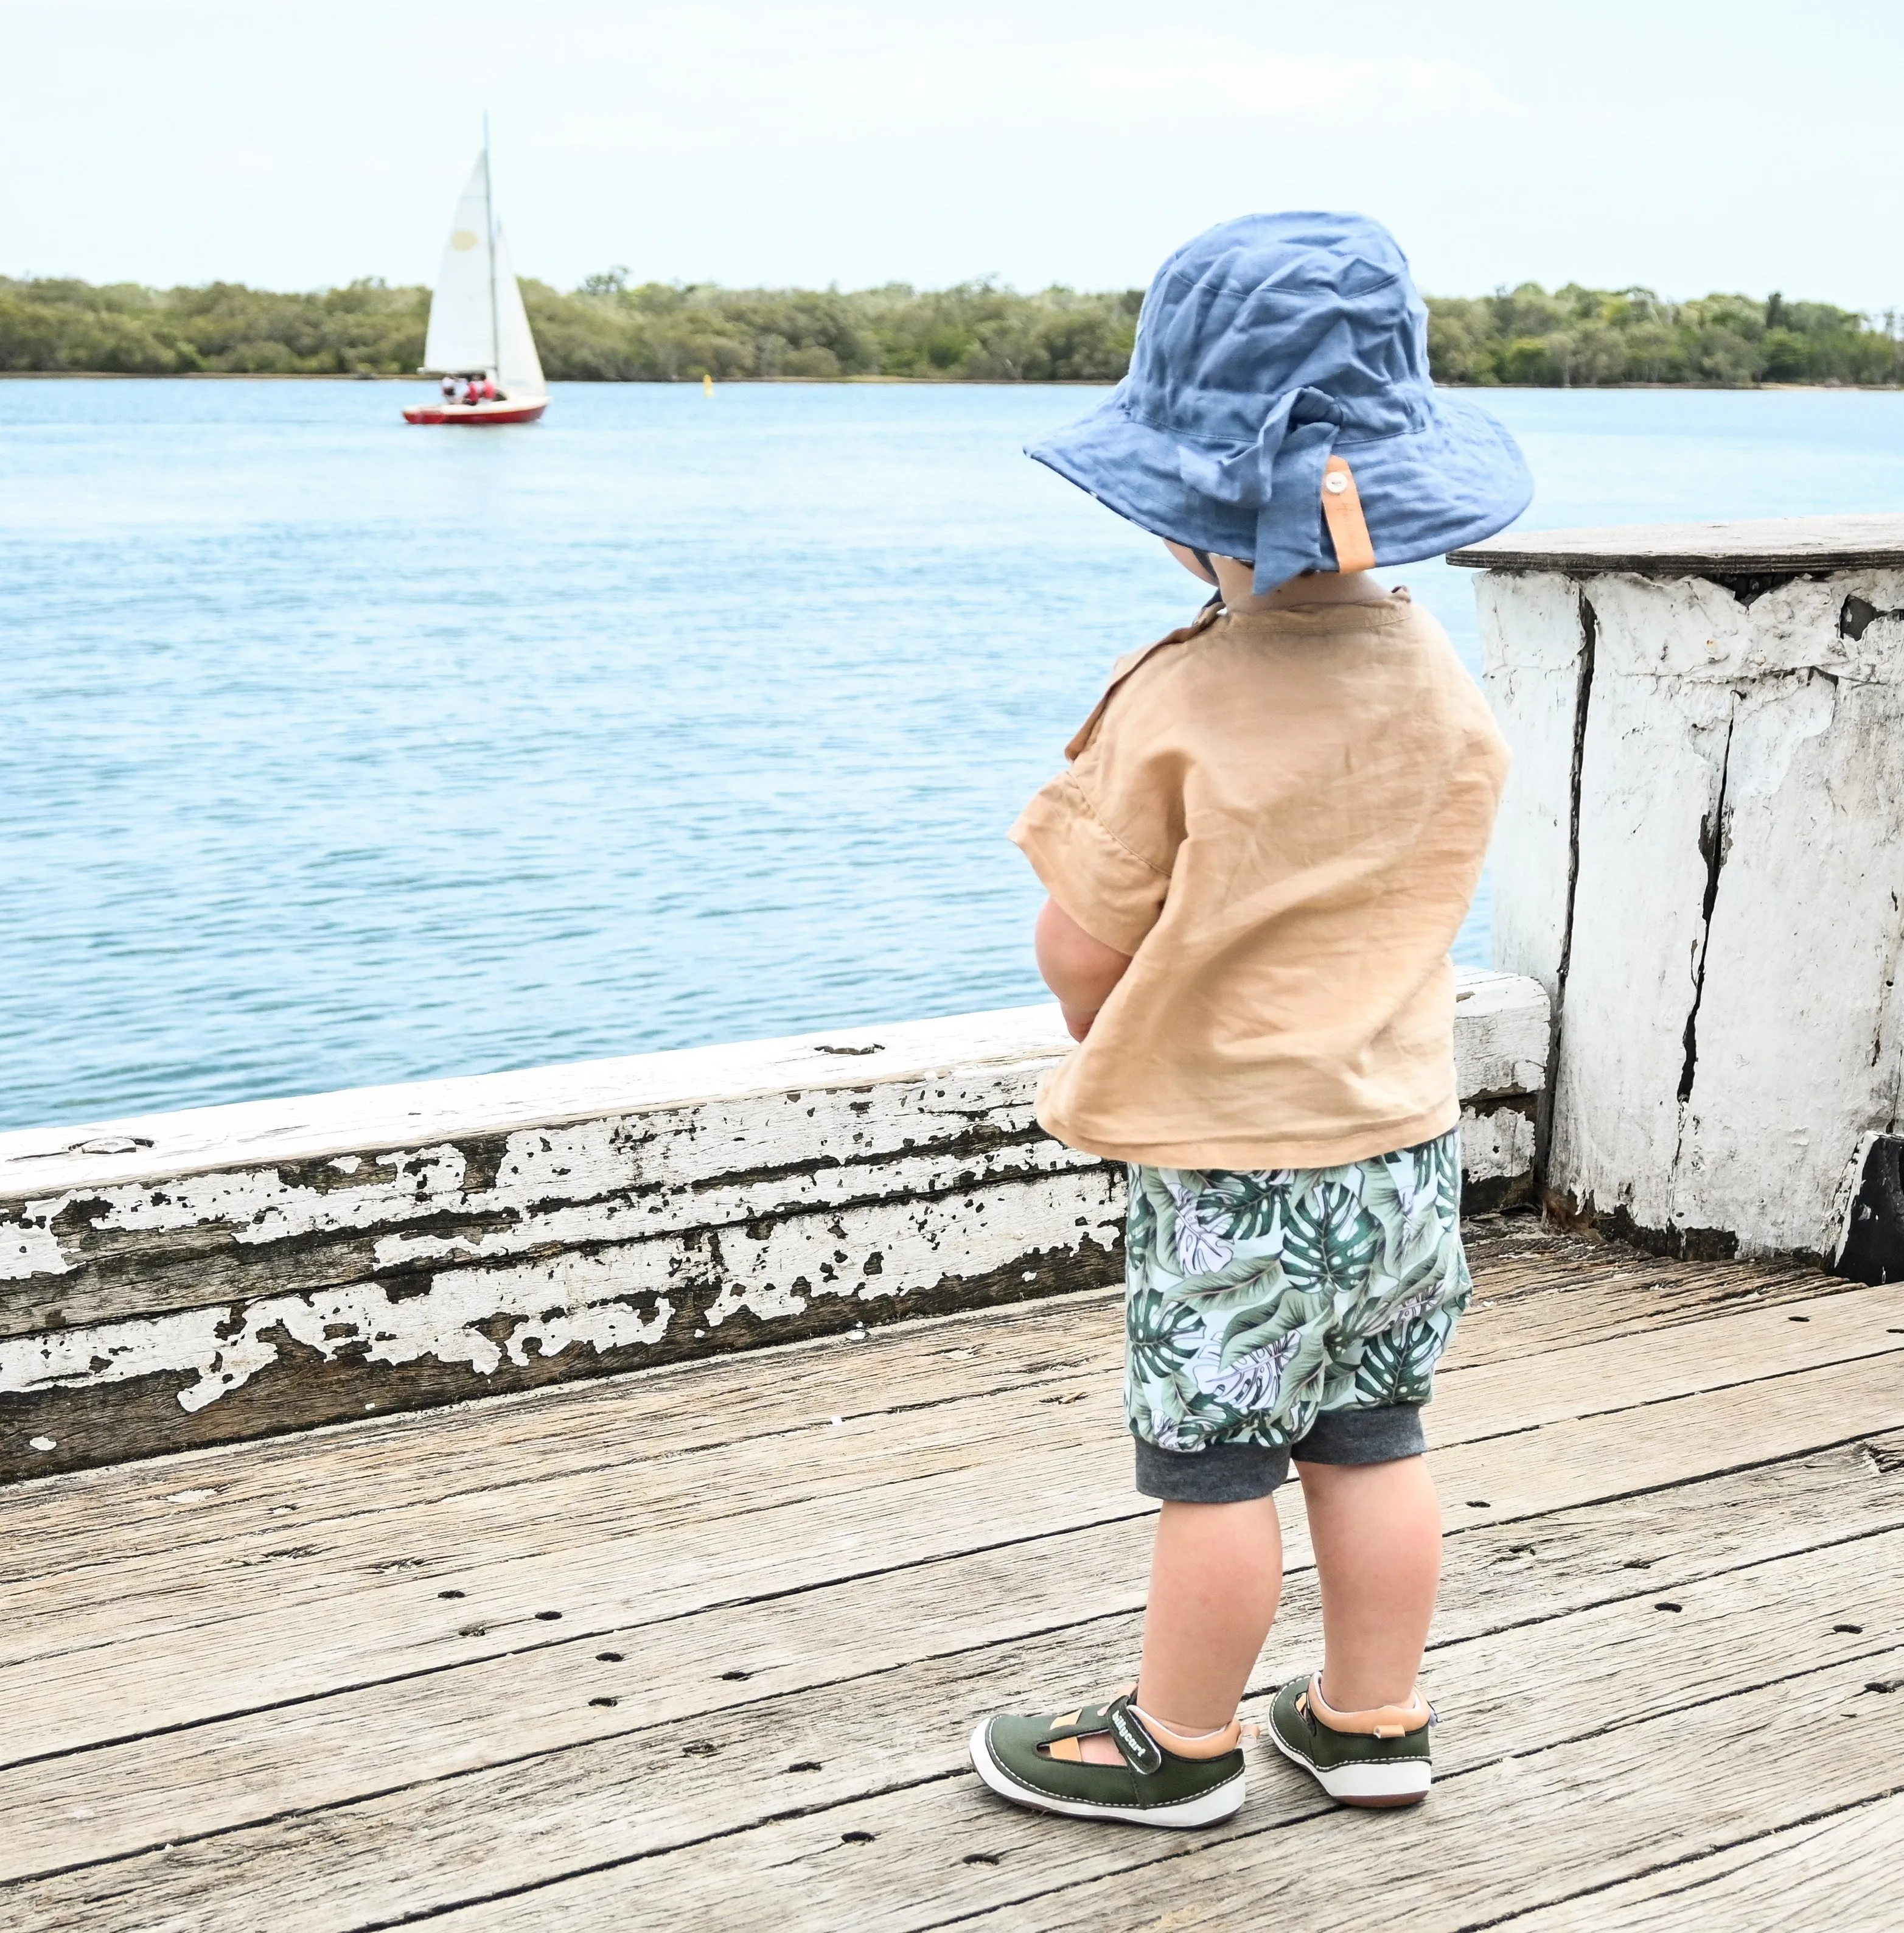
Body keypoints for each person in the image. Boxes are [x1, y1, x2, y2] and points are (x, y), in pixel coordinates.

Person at [966, 212, 1531, 1827]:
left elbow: (1079, 945)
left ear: (1187, 512)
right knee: (1376, 1438)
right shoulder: (1440, 682)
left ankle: (1181, 1742)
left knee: (1213, 1469)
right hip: (1402, 1145)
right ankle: (1370, 1720)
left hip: (1235, 1174)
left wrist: (1120, 1035)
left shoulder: (1183, 697)